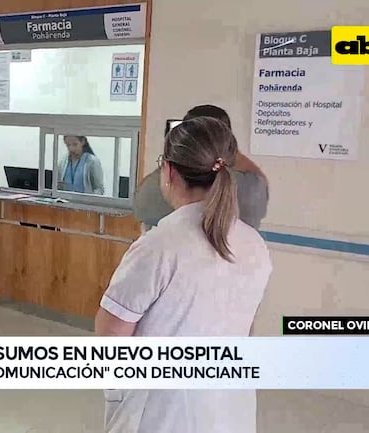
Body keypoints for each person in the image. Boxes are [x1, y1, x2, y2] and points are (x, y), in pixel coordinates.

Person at [95, 117, 273, 433]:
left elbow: (111, 338)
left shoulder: (158, 245)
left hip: (162, 413)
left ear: (169, 171)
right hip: (229, 407)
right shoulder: (254, 245)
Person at [134, 105, 269, 230]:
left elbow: (140, 202)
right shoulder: (251, 187)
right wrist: (228, 149)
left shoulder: (156, 186)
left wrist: (175, 153)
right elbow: (261, 183)